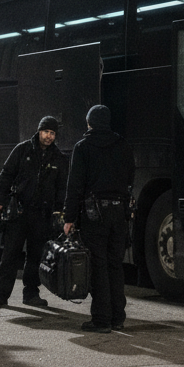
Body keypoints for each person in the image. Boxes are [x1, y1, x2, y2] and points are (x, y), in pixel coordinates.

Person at [63, 105, 135, 333]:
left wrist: (69, 217)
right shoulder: (122, 145)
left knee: (98, 265)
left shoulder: (83, 147)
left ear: (90, 123)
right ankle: (117, 316)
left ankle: (101, 319)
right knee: (115, 264)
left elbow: (75, 185)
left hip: (94, 214)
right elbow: (130, 176)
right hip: (118, 212)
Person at [0, 115, 68, 308]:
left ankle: (31, 294)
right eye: (46, 132)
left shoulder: (58, 157)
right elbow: (6, 175)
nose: (49, 136)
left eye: (52, 133)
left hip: (42, 215)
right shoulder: (22, 150)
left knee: (35, 256)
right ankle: (0, 295)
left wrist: (59, 212)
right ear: (39, 131)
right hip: (19, 213)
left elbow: (62, 188)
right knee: (10, 255)